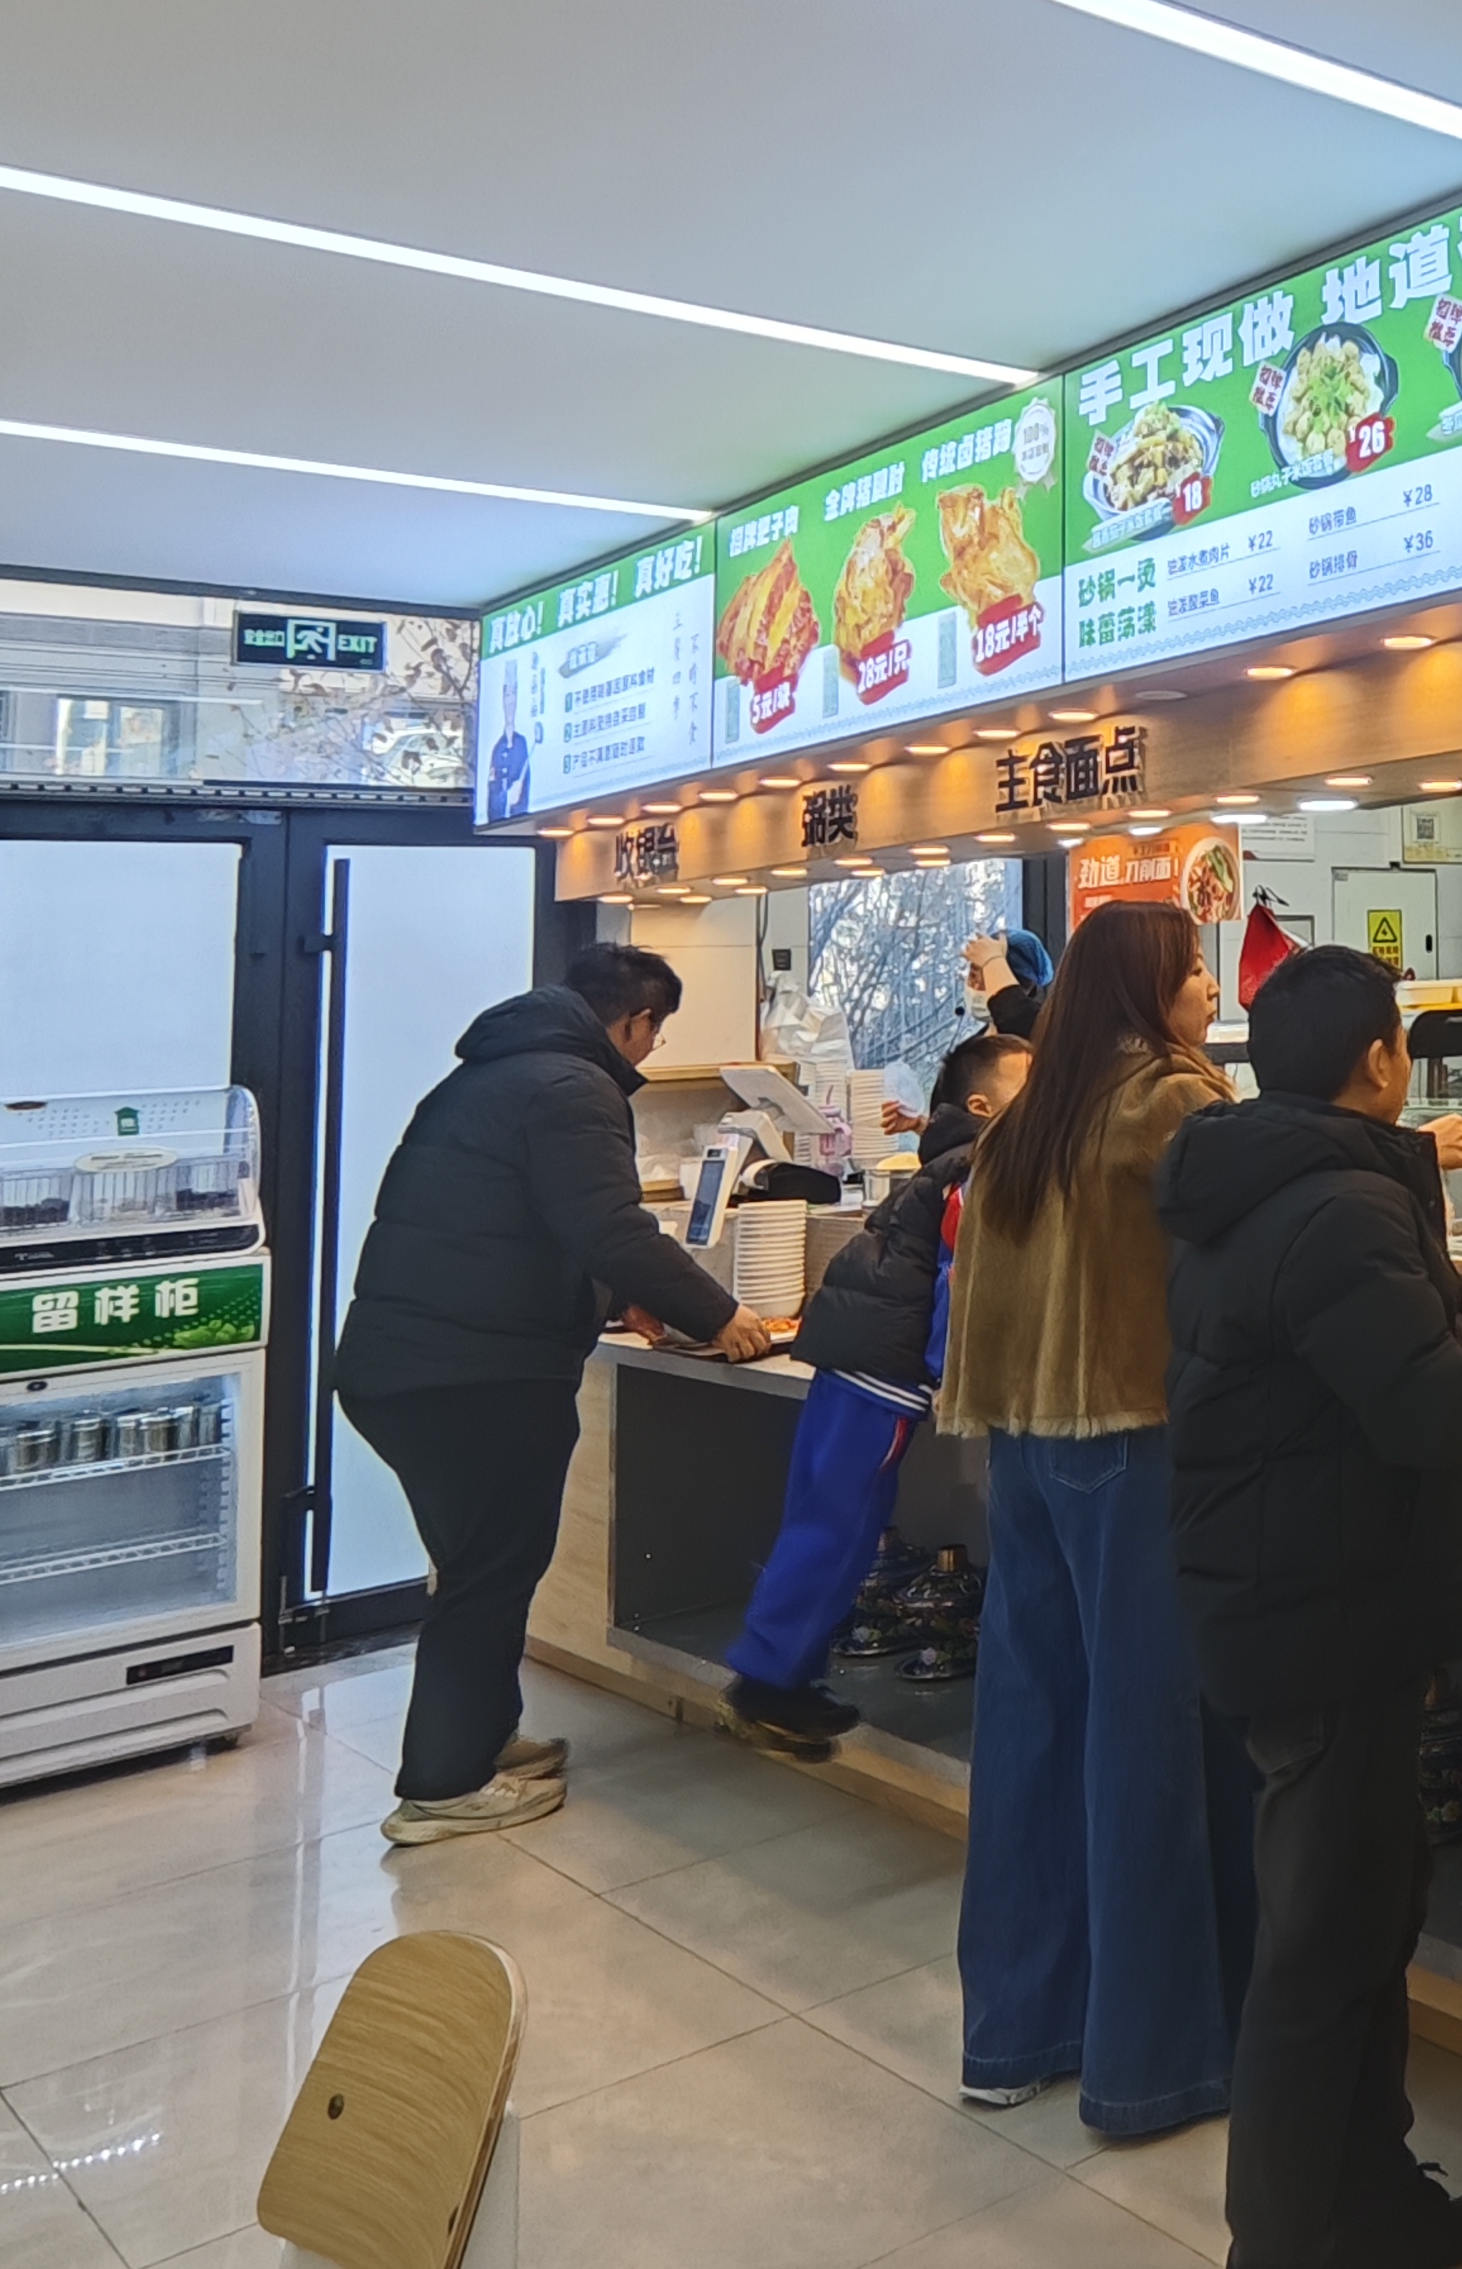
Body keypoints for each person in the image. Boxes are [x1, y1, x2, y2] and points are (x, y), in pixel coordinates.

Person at [1162, 944, 1462, 2269]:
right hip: (1318, 1614)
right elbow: (1431, 1406)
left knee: (1363, 1921)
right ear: (1382, 1061)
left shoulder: (1257, 1184)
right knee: (1325, 1947)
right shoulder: (1338, 1208)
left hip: (1300, 1596)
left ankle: (1370, 2205)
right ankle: (1284, 2240)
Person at [333, 942, 773, 1847]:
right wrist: (721, 1313)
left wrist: (621, 1299)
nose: (651, 1049)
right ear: (636, 1021)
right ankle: (445, 1784)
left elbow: (517, 1224)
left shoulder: (496, 1072)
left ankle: (479, 1740)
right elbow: (611, 1227)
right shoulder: (575, 1089)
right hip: (475, 1374)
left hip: (408, 1363)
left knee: (479, 1564)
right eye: (657, 1031)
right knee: (489, 1571)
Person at [937, 902, 1234, 2137]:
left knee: (1030, 1723)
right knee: (1143, 1743)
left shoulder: (1029, 1114)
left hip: (1022, 1446)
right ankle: (1145, 2065)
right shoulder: (1170, 1100)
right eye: (1194, 968)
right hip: (1131, 1439)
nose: (1211, 987)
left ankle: (1012, 2036)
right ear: (1147, 987)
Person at [722, 1028, 1028, 1754]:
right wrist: (955, 1378)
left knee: (825, 1518)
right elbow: (960, 1278)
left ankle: (779, 1672)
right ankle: (768, 1684)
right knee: (840, 1526)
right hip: (881, 1374)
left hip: (852, 1358)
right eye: (1034, 1082)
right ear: (983, 1106)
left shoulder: (948, 1155)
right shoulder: (983, 1163)